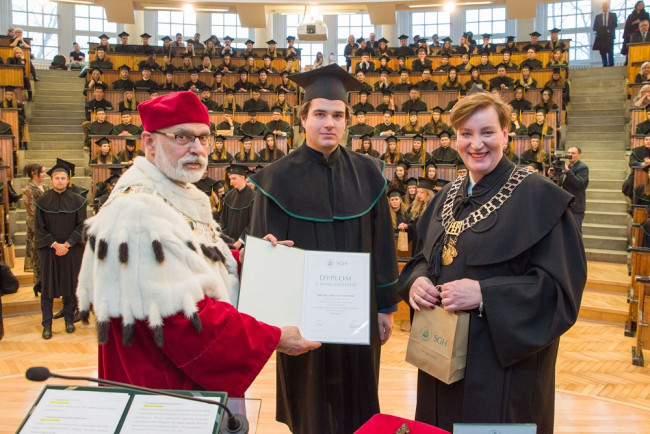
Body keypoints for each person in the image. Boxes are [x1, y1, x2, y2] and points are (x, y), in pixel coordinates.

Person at [77, 91, 320, 395]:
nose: (197, 149)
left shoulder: (182, 195)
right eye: (182, 137)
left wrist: (256, 261)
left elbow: (197, 261)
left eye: (204, 138)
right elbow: (183, 320)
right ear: (149, 143)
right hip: (164, 383)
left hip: (182, 375)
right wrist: (270, 337)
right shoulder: (137, 211)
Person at [398, 91, 586, 434]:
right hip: (441, 363)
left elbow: (560, 293)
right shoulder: (445, 196)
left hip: (504, 372)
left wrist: (486, 294)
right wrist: (417, 283)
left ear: (506, 135)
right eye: (466, 134)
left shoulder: (540, 197)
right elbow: (420, 260)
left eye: (487, 132)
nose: (476, 144)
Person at [248, 64, 400, 434]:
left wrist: (385, 307)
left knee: (358, 398)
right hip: (301, 316)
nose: (329, 123)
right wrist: (271, 324)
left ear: (347, 120)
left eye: (337, 115)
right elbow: (262, 256)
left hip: (358, 312)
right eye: (320, 114)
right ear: (303, 118)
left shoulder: (369, 174)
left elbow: (382, 245)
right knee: (309, 403)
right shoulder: (275, 179)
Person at [35, 160, 87, 339]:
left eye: (63, 178)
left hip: (71, 250)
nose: (60, 181)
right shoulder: (42, 201)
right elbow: (39, 228)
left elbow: (82, 226)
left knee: (70, 285)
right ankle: (47, 325)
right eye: (56, 178)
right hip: (49, 250)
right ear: (51, 180)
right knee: (48, 288)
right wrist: (55, 244)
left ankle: (68, 320)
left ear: (68, 180)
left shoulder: (78, 201)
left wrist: (68, 244)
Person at [22, 163, 48, 295]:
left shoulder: (46, 187)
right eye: (42, 172)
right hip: (36, 226)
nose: (44, 174)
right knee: (38, 256)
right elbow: (32, 211)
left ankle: (47, 283)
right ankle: (39, 284)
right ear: (34, 173)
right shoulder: (28, 190)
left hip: (48, 224)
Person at [554, 146, 589, 231]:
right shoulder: (566, 167)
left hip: (576, 206)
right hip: (565, 204)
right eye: (568, 153)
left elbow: (579, 184)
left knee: (575, 231)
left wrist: (567, 170)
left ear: (579, 155)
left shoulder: (583, 167)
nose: (570, 155)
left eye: (573, 153)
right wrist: (553, 175)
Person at [593, 2, 617, 67]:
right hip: (601, 36)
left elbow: (615, 24)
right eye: (603, 7)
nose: (604, 8)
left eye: (605, 6)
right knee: (602, 51)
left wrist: (608, 30)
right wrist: (601, 30)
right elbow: (595, 27)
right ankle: (605, 64)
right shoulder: (598, 17)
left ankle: (611, 64)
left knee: (610, 50)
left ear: (608, 7)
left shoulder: (613, 15)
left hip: (610, 35)